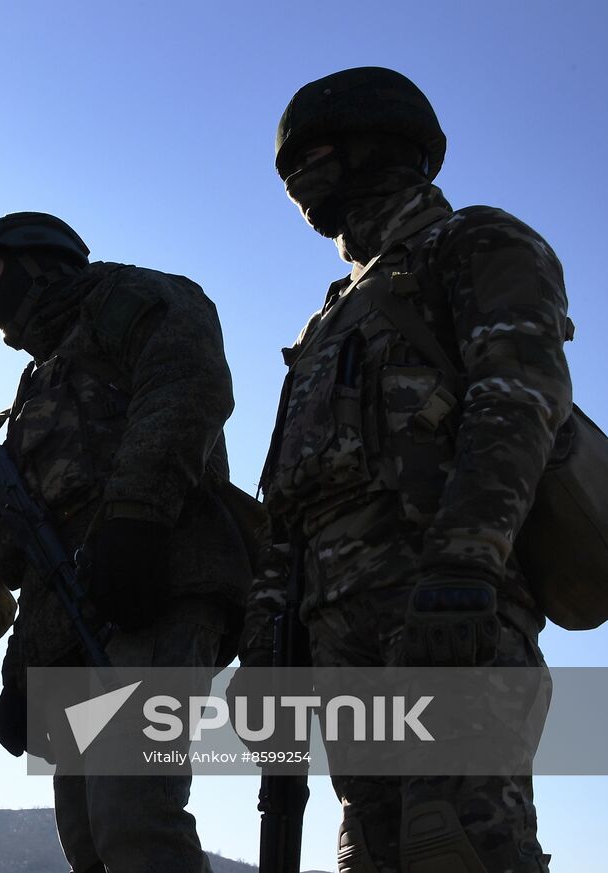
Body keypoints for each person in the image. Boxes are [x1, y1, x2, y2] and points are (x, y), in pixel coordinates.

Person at [244, 66, 569, 872]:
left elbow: (518, 399)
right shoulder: (326, 318)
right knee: (374, 849)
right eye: (289, 171)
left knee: (465, 841)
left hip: (442, 606)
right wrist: (266, 637)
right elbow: (289, 498)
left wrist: (468, 560)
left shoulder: (473, 243)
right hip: (334, 635)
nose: (300, 182)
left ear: (379, 143)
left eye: (312, 155)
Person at [0, 212, 250, 873]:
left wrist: (136, 518)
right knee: (88, 839)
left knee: (133, 819)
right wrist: (21, 672)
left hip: (160, 578)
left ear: (40, 261)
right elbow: (32, 550)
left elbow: (186, 384)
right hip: (74, 624)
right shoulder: (37, 387)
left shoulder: (129, 298)